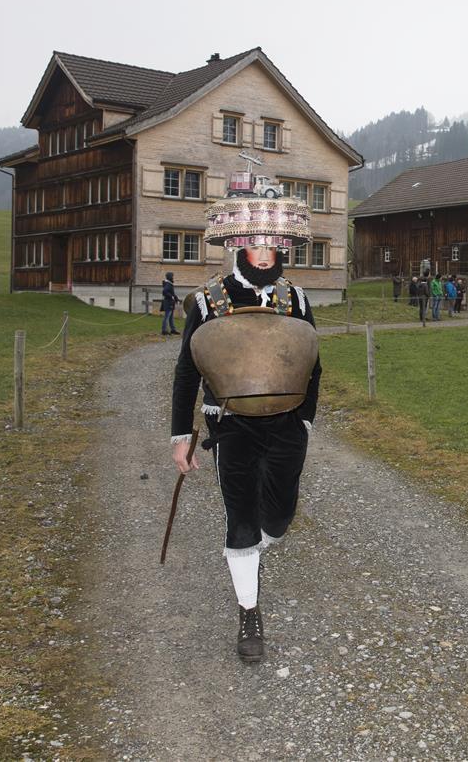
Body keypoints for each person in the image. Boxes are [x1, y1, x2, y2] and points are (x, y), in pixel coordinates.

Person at [171, 183, 321, 664]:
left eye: (273, 245)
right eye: (255, 244)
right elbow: (186, 369)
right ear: (237, 245)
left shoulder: (296, 299)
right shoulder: (207, 302)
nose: (264, 253)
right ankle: (249, 613)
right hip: (230, 426)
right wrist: (181, 437)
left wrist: (307, 423)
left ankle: (256, 545)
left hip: (286, 426)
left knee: (277, 520)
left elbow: (312, 362)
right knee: (240, 523)